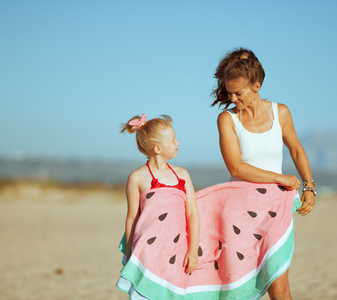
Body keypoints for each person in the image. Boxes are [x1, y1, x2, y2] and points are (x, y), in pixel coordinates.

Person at [211, 48, 316, 300]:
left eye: (239, 92)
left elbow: (296, 150)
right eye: (229, 92)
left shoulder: (280, 112)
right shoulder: (227, 119)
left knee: (279, 287)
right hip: (238, 210)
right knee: (236, 288)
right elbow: (235, 168)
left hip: (275, 209)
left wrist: (309, 186)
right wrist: (281, 179)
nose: (233, 98)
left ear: (256, 86)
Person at [116, 114, 200, 299]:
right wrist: (130, 255)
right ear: (158, 148)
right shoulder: (136, 178)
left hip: (177, 253)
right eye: (173, 140)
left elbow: (193, 213)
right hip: (147, 254)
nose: (178, 143)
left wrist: (193, 250)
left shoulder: (182, 174)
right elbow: (132, 218)